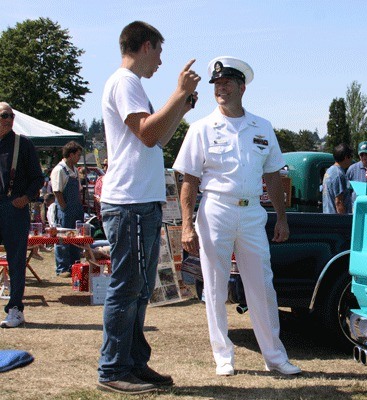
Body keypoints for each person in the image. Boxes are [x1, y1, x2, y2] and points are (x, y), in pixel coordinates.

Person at [174, 56, 301, 377]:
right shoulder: (201, 128)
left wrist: (282, 218)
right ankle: (223, 356)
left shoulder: (262, 127)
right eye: (217, 83)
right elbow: (188, 180)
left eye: (227, 82)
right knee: (215, 286)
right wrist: (186, 225)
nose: (221, 88)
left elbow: (273, 175)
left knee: (263, 285)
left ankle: (274, 356)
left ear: (242, 86)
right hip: (215, 209)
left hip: (252, 212)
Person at [97, 21, 199, 394]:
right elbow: (149, 133)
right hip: (129, 202)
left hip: (137, 201)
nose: (160, 59)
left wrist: (181, 107)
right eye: (158, 50)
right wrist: (178, 93)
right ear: (144, 46)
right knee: (127, 287)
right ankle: (113, 369)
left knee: (137, 289)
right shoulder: (125, 82)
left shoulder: (131, 85)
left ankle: (132, 364)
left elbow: (157, 140)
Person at [0, 102, 44, 328]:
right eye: (4, 115)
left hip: (13, 208)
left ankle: (15, 308)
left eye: (11, 115)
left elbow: (38, 178)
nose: (8, 119)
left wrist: (25, 198)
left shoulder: (23, 144)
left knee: (16, 260)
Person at [50, 141, 84, 277]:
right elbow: (57, 191)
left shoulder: (74, 170)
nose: (79, 158)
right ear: (71, 155)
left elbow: (79, 189)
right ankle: (62, 268)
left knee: (76, 237)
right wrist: (64, 208)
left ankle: (74, 265)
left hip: (76, 208)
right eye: (78, 155)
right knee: (63, 238)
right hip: (65, 209)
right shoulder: (59, 170)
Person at [322, 143, 353, 214]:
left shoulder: (329, 171)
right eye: (351, 156)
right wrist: (344, 221)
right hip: (336, 221)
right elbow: (338, 202)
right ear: (346, 157)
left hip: (327, 216)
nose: (351, 159)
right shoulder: (339, 174)